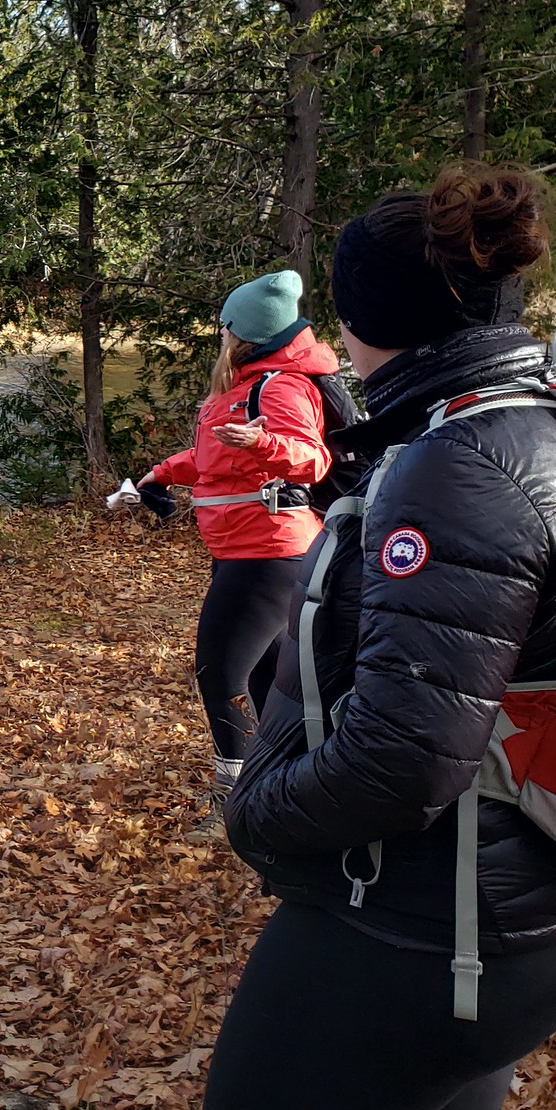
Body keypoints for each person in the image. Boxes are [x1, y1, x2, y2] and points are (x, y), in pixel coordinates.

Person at [205, 168, 556, 1110]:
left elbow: (400, 755)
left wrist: (253, 815)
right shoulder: (533, 414)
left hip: (431, 920)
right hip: (523, 894)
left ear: (362, 316)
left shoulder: (459, 465)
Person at [126, 270, 339, 825]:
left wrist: (265, 442)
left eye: (225, 329)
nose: (220, 337)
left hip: (270, 553)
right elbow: (211, 461)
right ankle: (284, 789)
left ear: (242, 333)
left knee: (220, 675)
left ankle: (235, 804)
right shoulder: (240, 390)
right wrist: (158, 474)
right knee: (266, 679)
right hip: (241, 553)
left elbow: (314, 461)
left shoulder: (282, 387)